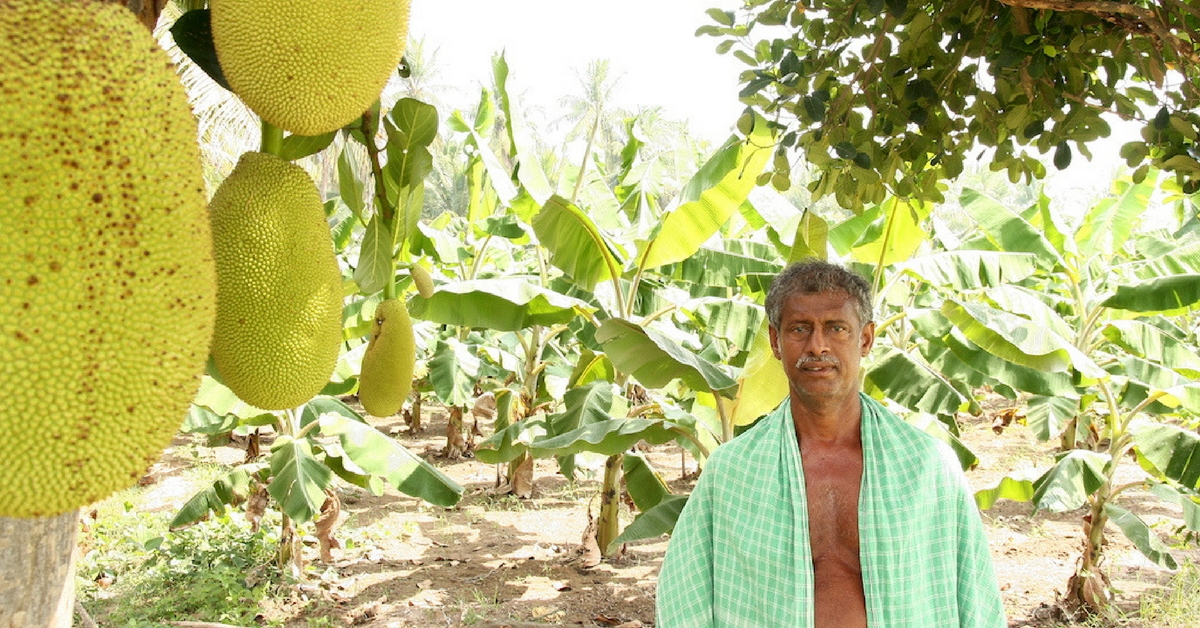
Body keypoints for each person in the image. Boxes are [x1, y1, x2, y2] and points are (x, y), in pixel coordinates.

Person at [656, 260, 1005, 628]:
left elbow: (975, 596)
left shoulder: (926, 465)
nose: (817, 346)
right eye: (799, 329)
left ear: (865, 339)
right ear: (776, 341)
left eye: (836, 328)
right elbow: (685, 599)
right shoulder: (732, 471)